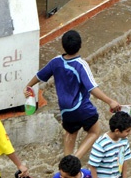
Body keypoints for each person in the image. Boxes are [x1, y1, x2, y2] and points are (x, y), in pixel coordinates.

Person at [24, 30, 121, 160]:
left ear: (63, 45)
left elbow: (39, 76)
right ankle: (75, 160)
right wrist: (110, 101)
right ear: (80, 45)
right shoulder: (81, 65)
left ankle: (65, 164)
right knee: (94, 131)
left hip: (66, 110)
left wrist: (28, 86)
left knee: (70, 133)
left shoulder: (56, 62)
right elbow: (92, 88)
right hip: (82, 108)